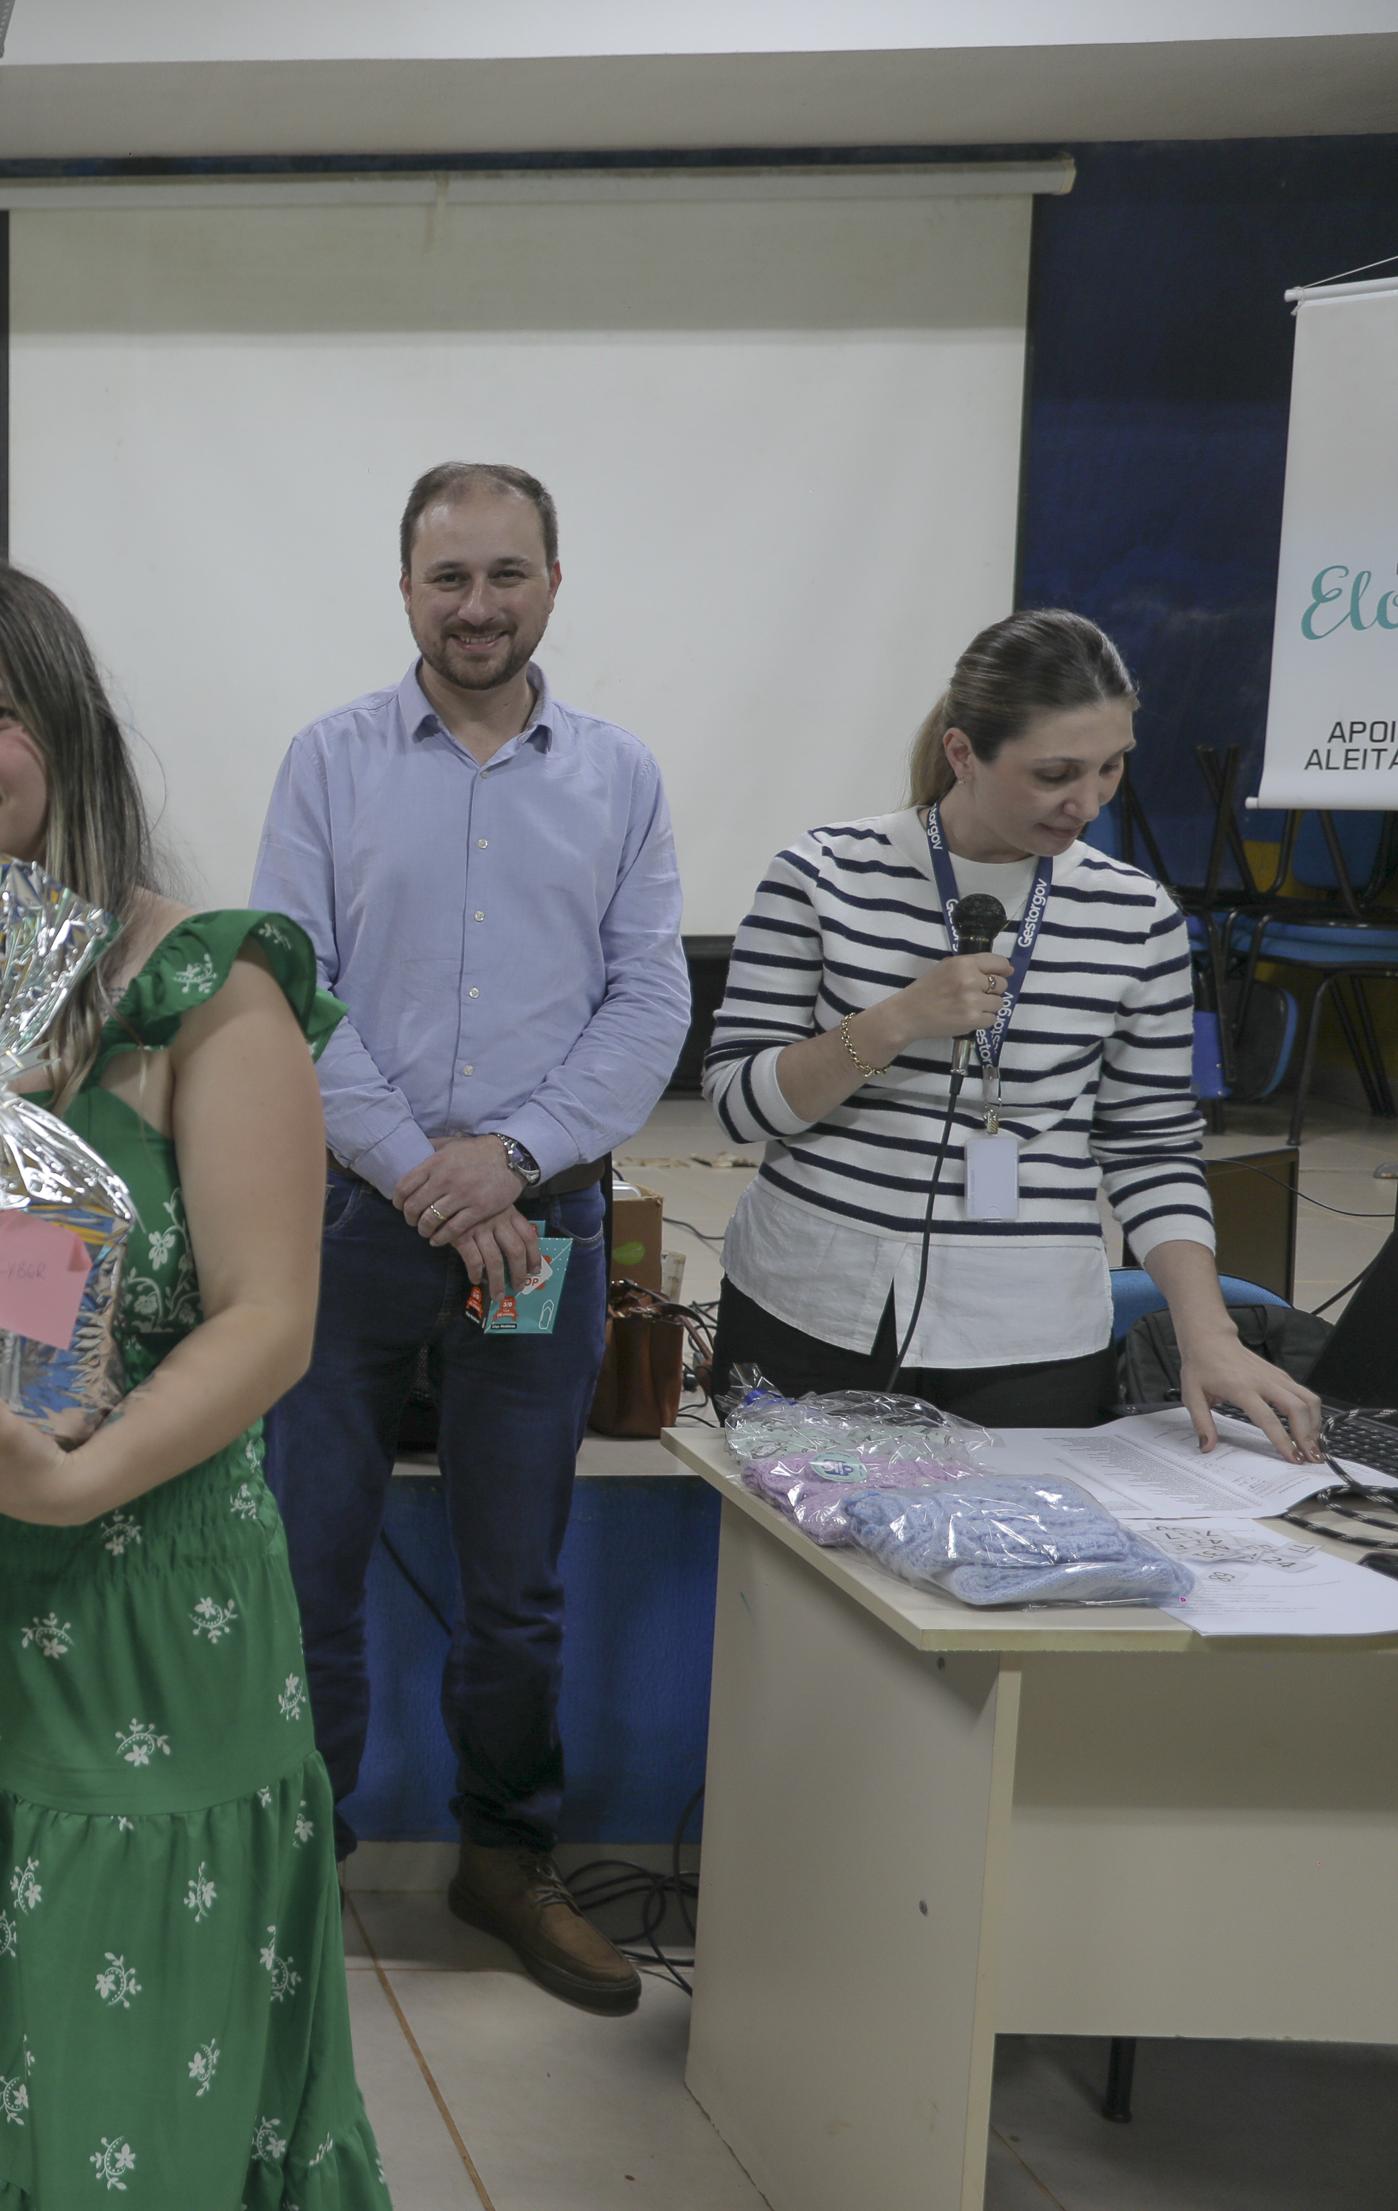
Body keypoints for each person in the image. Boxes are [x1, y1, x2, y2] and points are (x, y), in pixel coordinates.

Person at [0, 557, 387, 2209]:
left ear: (69, 728)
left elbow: (269, 1321)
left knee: (132, 2064)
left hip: (143, 1602)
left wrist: (74, 1478)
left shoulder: (204, 979)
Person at [247, 461, 691, 2017]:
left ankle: (508, 1860)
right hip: (350, 1224)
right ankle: (292, 1876)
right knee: (307, 1572)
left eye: (508, 574)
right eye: (450, 578)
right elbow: (289, 991)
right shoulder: (329, 761)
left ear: (553, 584)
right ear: (406, 591)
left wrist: (506, 1161)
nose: (479, 606)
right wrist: (416, 1170)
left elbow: (651, 998)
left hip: (538, 1227)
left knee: (518, 1590)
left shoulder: (621, 776)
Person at [704, 609, 1325, 1459]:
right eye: (1054, 774)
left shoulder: (1135, 916)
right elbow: (739, 1106)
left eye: (1111, 767)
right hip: (811, 1304)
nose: (1088, 802)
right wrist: (892, 1023)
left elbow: (1150, 1149)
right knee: (788, 1539)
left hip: (1031, 1331)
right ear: (963, 753)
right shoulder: (822, 876)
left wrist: (1207, 1331)